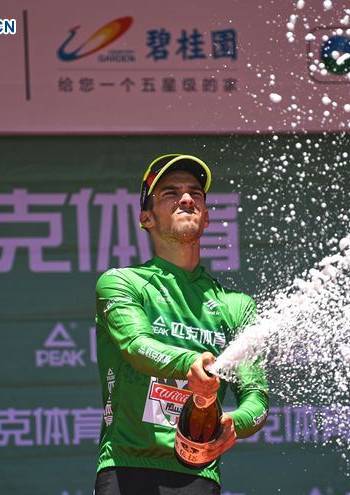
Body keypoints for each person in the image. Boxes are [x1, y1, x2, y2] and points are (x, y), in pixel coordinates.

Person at [93, 154, 269, 495]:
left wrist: (233, 423)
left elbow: (256, 398)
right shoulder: (122, 283)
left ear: (206, 218)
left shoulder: (237, 306)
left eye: (195, 194)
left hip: (200, 474)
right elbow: (136, 346)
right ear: (146, 218)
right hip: (127, 467)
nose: (187, 198)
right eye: (171, 193)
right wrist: (190, 363)